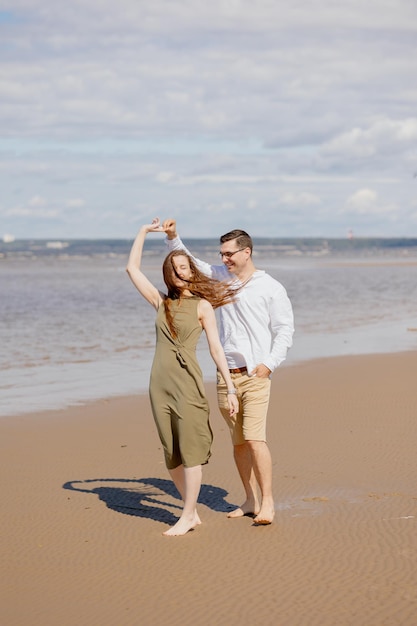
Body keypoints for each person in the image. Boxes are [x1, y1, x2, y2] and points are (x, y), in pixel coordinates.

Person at [162, 219, 294, 525]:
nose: (224, 259)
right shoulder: (220, 276)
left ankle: (269, 503)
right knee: (238, 443)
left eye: (229, 254)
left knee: (255, 439)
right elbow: (191, 264)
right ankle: (250, 499)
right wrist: (173, 237)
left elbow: (284, 330)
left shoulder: (270, 287)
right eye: (222, 254)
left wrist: (270, 363)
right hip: (226, 377)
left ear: (246, 252)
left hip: (256, 375)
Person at [126, 218, 239, 536]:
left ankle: (188, 514)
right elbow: (132, 270)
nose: (180, 273)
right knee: (171, 454)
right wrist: (143, 232)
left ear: (191, 271)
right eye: (174, 269)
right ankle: (189, 509)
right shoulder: (160, 303)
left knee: (190, 450)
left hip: (188, 384)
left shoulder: (203, 306)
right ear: (168, 274)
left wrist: (230, 388)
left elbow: (217, 349)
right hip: (159, 385)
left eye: (184, 267)